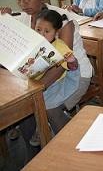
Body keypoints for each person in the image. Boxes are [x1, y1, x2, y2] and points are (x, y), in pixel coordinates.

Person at [0, 0, 92, 135]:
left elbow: (61, 63)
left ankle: (69, 141)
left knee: (48, 106)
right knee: (22, 107)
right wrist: (4, 22)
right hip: (39, 77)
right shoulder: (22, 19)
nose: (23, 4)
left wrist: (37, 89)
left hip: (73, 75)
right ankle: (35, 148)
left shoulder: (61, 18)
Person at [29, 9, 79, 146]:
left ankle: (46, 128)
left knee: (44, 103)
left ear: (56, 33)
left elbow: (73, 67)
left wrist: (71, 61)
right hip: (36, 82)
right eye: (38, 30)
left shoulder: (60, 46)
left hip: (57, 84)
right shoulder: (34, 45)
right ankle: (41, 126)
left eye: (47, 31)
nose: (41, 35)